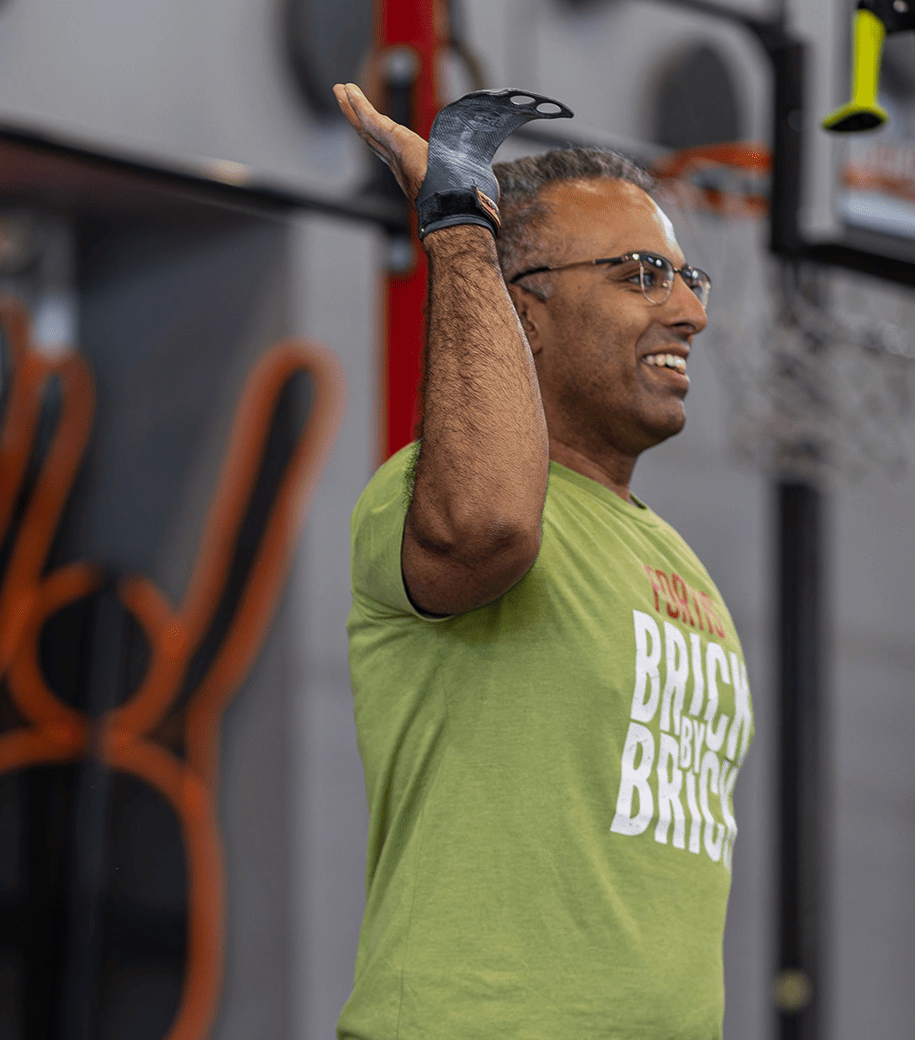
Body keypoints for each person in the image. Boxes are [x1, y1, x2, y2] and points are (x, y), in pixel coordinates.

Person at [331, 80, 756, 1040]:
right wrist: (459, 230)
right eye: (643, 273)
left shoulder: (677, 561)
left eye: (690, 279)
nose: (688, 311)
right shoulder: (430, 496)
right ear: (523, 312)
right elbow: (486, 527)